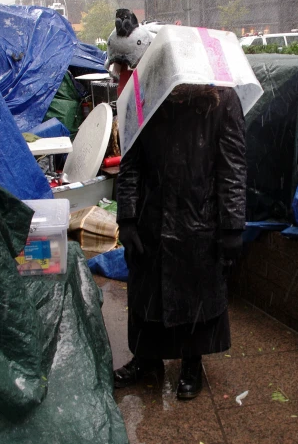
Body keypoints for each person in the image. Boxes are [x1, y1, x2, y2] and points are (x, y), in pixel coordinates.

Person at [115, 82, 247, 400]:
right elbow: (130, 163)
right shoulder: (145, 95)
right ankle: (146, 358)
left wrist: (231, 226)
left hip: (199, 217)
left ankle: (191, 363)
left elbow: (232, 168)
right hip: (151, 216)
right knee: (148, 293)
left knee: (194, 294)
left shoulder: (223, 100)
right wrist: (128, 217)